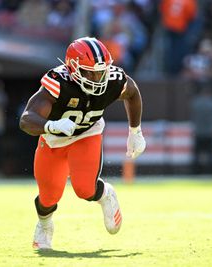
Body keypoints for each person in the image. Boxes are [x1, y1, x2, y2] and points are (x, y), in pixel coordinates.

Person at [19, 36, 146, 250]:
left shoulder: (113, 80)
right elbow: (26, 119)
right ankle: (45, 224)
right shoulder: (58, 83)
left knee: (85, 189)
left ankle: (105, 193)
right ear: (73, 69)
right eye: (90, 72)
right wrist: (52, 126)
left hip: (87, 134)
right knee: (48, 196)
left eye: (101, 70)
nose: (98, 77)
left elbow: (132, 93)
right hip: (53, 139)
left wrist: (136, 132)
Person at [190, 84, 212, 174]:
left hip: (199, 131)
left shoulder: (196, 103)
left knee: (197, 155)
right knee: (211, 155)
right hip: (210, 132)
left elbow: (193, 117)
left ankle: (196, 172)